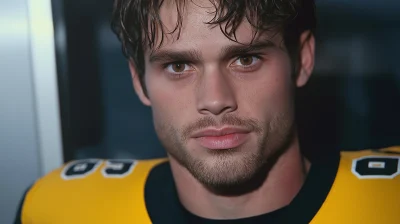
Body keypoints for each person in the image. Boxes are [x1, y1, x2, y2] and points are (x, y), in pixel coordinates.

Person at [15, 0, 400, 223]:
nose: (215, 100)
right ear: (138, 81)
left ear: (302, 59)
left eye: (246, 59)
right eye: (178, 66)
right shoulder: (58, 210)